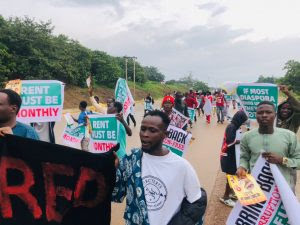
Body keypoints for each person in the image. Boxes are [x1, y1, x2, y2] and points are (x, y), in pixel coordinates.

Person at [112, 110, 206, 225]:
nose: (145, 134)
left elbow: (196, 203)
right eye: (143, 129)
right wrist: (112, 169)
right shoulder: (131, 159)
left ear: (165, 135)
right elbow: (115, 193)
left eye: (152, 130)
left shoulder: (182, 166)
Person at [237, 101, 300, 192]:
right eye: (260, 113)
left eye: (268, 112)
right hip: (256, 188)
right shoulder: (247, 136)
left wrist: (282, 160)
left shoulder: (289, 136)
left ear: (275, 114)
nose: (264, 115)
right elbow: (244, 158)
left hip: (282, 190)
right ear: (256, 115)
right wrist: (242, 167)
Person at [220, 111, 248, 207]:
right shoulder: (231, 127)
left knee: (233, 175)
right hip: (227, 156)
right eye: (243, 121)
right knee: (230, 177)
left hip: (232, 155)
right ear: (239, 119)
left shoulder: (236, 126)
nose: (243, 123)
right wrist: (242, 140)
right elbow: (229, 142)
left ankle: (231, 193)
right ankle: (225, 197)